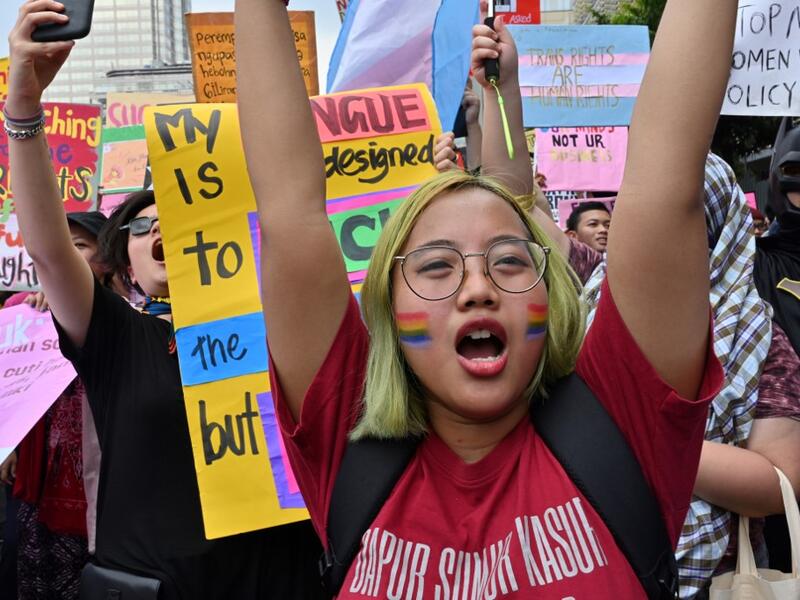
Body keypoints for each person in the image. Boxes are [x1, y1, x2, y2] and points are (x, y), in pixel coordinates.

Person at [236, 0, 735, 597]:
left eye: (508, 262)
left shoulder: (624, 424)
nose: (478, 289)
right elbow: (289, 214)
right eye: (438, 268)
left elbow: (665, 185)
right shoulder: (347, 441)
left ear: (551, 298)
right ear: (390, 314)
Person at [6, 4, 324, 599]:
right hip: (152, 588)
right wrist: (23, 106)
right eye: (144, 224)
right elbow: (50, 251)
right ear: (120, 257)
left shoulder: (278, 328)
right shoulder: (116, 339)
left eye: (181, 220)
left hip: (279, 581)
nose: (163, 232)